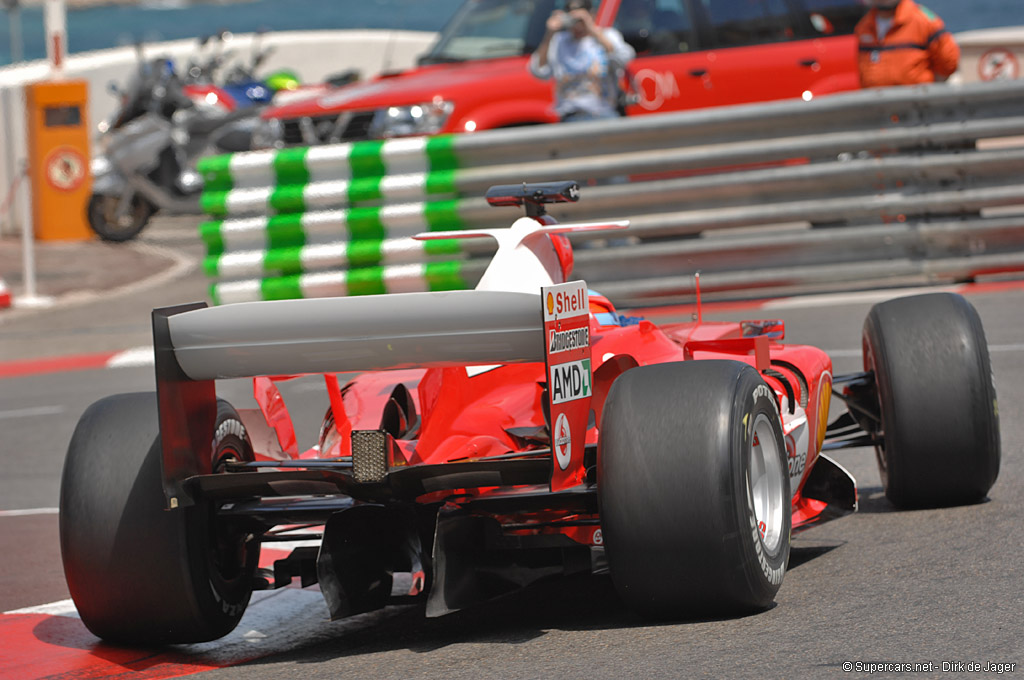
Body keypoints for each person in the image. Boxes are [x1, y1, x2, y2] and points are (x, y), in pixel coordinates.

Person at [529, 0, 635, 122]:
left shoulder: (607, 35)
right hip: (571, 116)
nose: (577, 25)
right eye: (573, 19)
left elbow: (623, 57)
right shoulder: (559, 41)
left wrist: (591, 28)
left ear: (592, 15)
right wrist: (550, 33)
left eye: (580, 19)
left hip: (605, 113)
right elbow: (539, 71)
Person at [855, 0, 960, 89]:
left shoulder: (923, 21)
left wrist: (928, 91)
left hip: (916, 106)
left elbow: (948, 63)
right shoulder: (863, 26)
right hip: (878, 107)